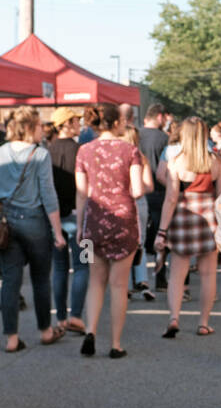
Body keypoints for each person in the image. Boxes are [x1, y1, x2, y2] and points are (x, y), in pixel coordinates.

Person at [75, 104, 144, 358]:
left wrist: (81, 228)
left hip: (93, 220)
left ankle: (90, 331)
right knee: (118, 285)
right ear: (117, 123)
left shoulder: (84, 151)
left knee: (95, 281)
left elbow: (81, 194)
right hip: (122, 221)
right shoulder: (130, 150)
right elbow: (137, 191)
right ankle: (115, 344)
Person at [0, 105, 67, 351]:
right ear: (29, 128)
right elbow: (48, 195)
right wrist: (57, 232)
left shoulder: (1, 152)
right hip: (34, 221)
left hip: (6, 223)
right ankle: (45, 330)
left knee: (10, 280)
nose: (43, 130)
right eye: (40, 126)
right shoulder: (40, 155)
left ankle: (11, 338)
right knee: (40, 278)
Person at [154, 115, 221, 339]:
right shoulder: (215, 161)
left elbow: (171, 198)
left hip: (183, 216)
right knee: (208, 275)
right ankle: (203, 323)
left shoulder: (176, 161)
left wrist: (162, 231)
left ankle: (174, 318)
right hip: (209, 218)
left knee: (176, 274)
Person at [49, 106, 89, 334]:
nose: (78, 124)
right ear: (66, 123)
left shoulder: (47, 151)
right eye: (75, 120)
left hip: (55, 219)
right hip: (81, 218)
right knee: (84, 266)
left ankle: (62, 318)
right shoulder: (82, 150)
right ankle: (76, 315)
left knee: (60, 267)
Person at [138, 103, 169, 288]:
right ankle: (160, 277)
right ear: (159, 117)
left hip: (140, 190)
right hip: (160, 191)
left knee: (139, 236)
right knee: (161, 236)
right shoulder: (164, 138)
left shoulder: (136, 136)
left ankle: (138, 277)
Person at [123, 125, 155, 298]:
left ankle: (126, 284)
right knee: (139, 243)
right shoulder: (142, 158)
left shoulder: (117, 158)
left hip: (123, 203)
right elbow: (149, 185)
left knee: (124, 244)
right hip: (140, 203)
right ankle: (143, 281)